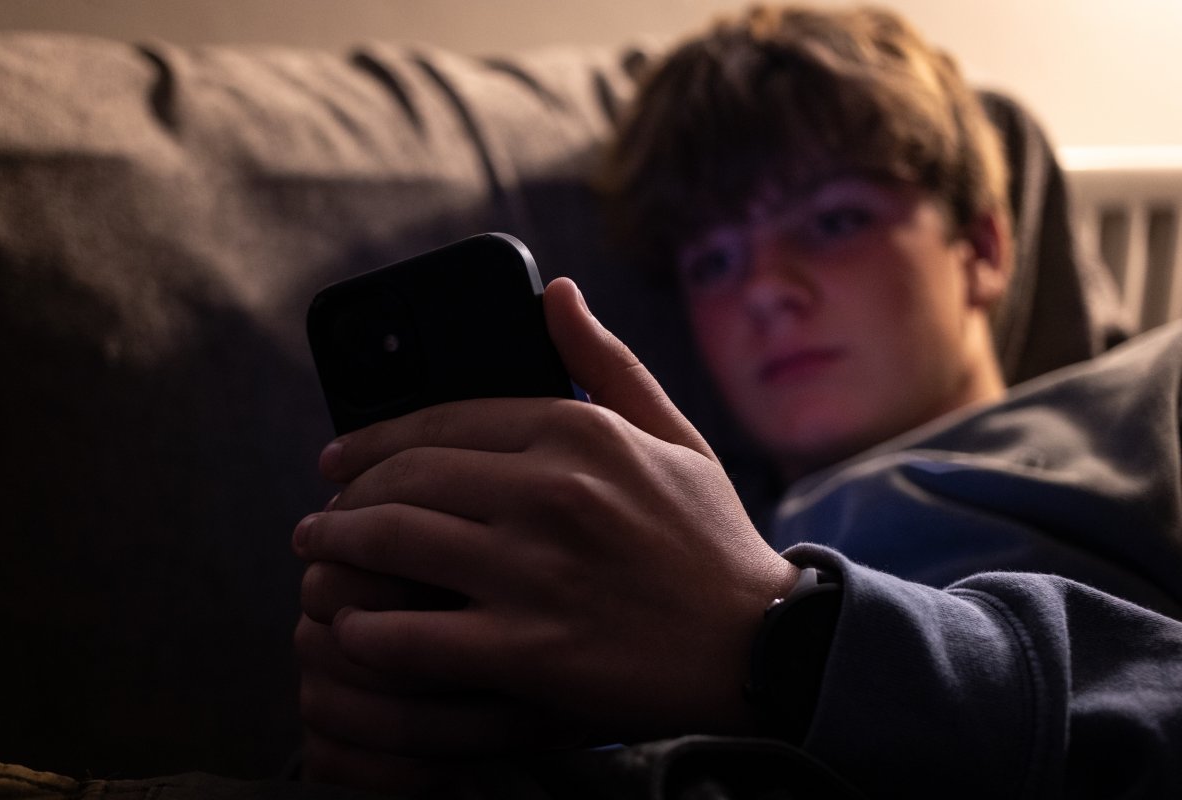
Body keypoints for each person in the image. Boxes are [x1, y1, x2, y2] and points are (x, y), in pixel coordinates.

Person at [292, 5, 1182, 797]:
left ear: (983, 246)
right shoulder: (635, 539)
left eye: (833, 219)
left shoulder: (1154, 398)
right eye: (713, 261)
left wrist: (778, 638)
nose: (764, 288)